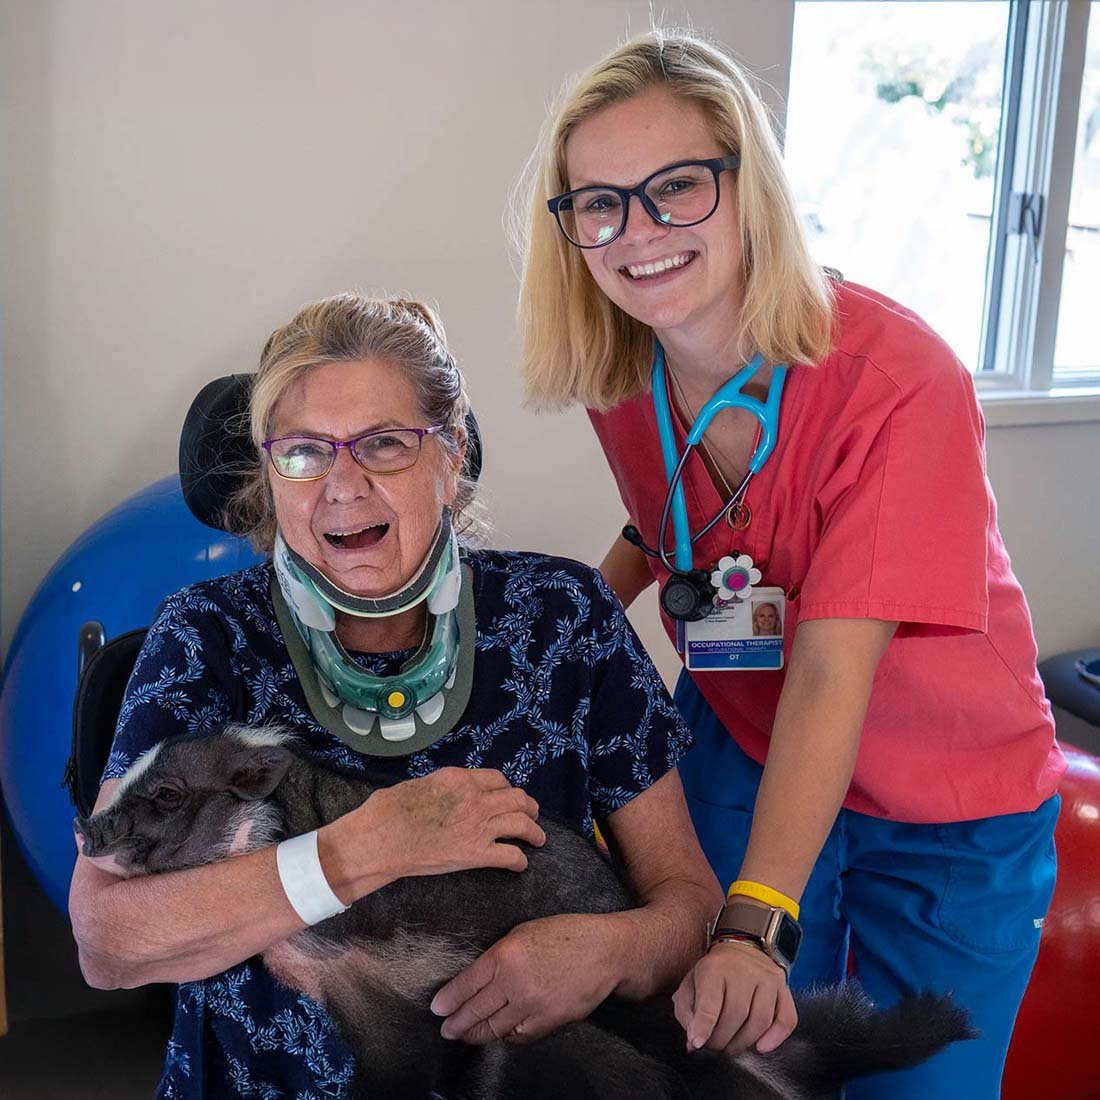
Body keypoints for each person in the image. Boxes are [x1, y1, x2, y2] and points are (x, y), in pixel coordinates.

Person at [516, 28, 1065, 1098]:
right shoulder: (621, 372)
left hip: (943, 785)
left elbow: (828, 663)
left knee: (919, 1082)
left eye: (676, 187)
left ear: (747, 188)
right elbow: (680, 529)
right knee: (736, 1071)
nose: (639, 233)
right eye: (599, 202)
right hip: (742, 734)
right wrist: (570, 623)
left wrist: (755, 916)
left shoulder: (895, 378)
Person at [68, 292, 723, 1098]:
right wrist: (358, 853)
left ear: (450, 457)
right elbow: (105, 941)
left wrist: (612, 951)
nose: (342, 484)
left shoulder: (565, 616)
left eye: (383, 444)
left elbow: (688, 905)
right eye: (303, 453)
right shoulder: (208, 637)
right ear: (268, 475)